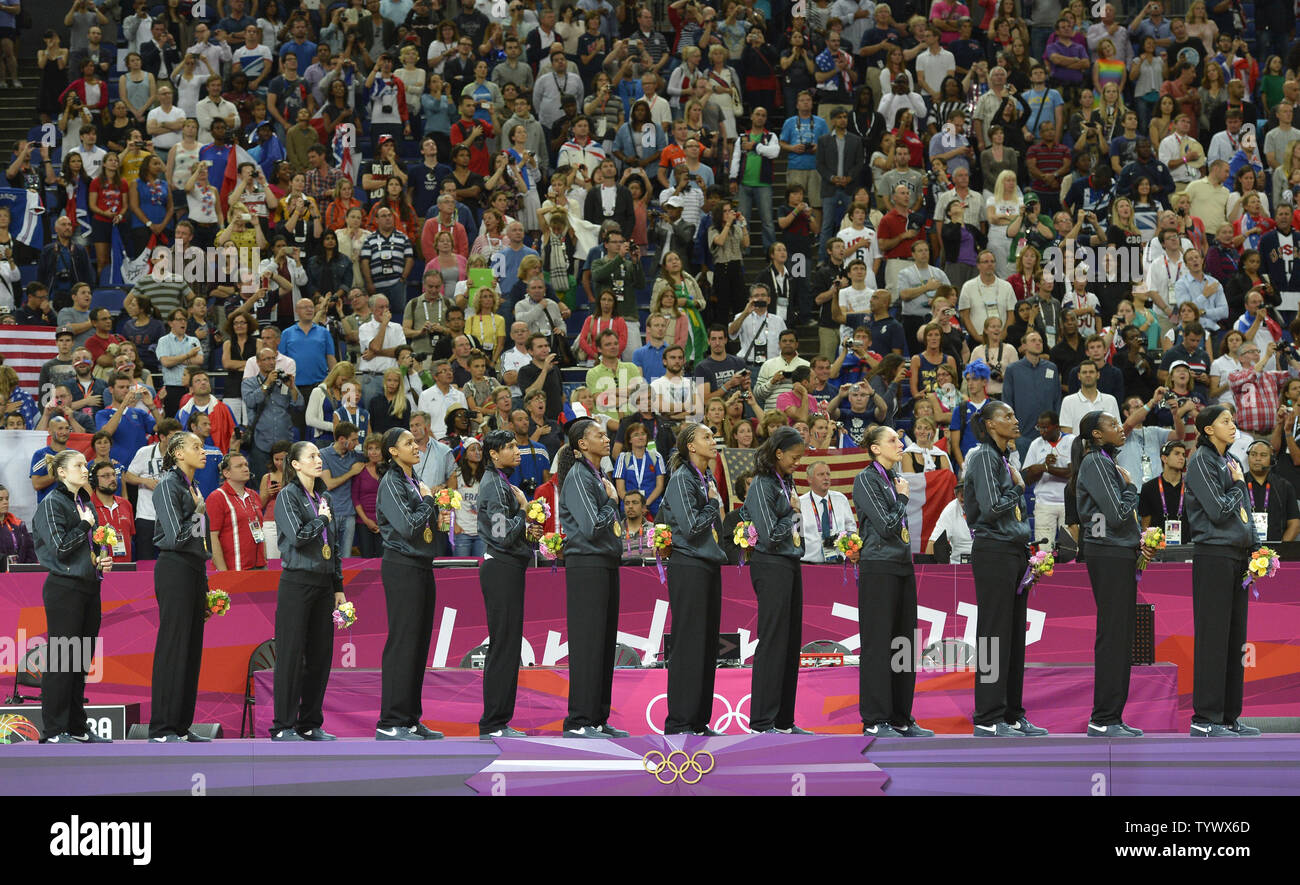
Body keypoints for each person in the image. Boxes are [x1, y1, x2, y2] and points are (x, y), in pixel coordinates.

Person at [964, 401, 1047, 737]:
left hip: (1013, 550)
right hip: (994, 550)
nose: (1015, 420)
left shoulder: (1002, 458)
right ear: (989, 424)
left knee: (1013, 637)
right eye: (1007, 416)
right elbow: (992, 506)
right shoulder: (983, 456)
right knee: (994, 635)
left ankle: (1012, 714)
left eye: (1015, 414)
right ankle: (987, 716)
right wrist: (1018, 486)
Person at [1184, 405, 1259, 737]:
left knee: (1235, 639)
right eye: (1225, 421)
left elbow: (1245, 511)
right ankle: (1204, 718)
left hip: (1238, 555)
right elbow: (1216, 510)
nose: (1233, 425)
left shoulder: (1232, 461)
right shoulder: (1200, 460)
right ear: (1208, 429)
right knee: (1214, 638)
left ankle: (1228, 716)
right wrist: (1239, 486)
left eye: (1233, 420)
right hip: (1213, 553)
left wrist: (1255, 547)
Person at [853, 425, 932, 738]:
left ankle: (900, 717)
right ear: (875, 448)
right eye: (892, 440)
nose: (900, 444)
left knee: (903, 644)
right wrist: (901, 500)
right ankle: (875, 719)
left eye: (900, 439)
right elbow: (886, 526)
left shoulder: (893, 479)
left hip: (901, 565)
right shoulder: (866, 479)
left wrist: (899, 495)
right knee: (878, 645)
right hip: (878, 566)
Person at [1071, 411, 1145, 737]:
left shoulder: (1104, 462)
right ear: (1097, 435)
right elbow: (1115, 514)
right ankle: (1103, 718)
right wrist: (1132, 489)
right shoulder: (1096, 462)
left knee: (1120, 635)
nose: (1120, 427)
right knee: (1114, 635)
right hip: (1109, 553)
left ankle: (1111, 716)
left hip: (1117, 551)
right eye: (1113, 424)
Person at [271, 441, 348, 742]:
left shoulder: (324, 496)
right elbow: (299, 538)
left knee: (320, 655)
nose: (319, 460)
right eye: (312, 456)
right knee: (291, 655)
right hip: (297, 581)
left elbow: (335, 546)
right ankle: (283, 725)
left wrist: (339, 587)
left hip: (324, 582)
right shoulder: (287, 497)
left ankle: (310, 722)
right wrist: (322, 519)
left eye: (319, 455)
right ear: (295, 464)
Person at [556, 417, 627, 739]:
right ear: (582, 444)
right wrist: (611, 501)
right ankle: (579, 720)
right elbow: (591, 526)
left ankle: (597, 717)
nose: (606, 438)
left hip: (605, 561)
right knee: (587, 644)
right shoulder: (578, 476)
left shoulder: (598, 476)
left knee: (603, 643)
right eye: (599, 435)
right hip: (586, 564)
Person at [373, 427, 445, 741]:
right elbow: (406, 525)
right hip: (401, 565)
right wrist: (429, 502)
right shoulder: (391, 482)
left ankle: (410, 719)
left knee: (418, 645)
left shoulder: (413, 482)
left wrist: (436, 510)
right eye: (407, 443)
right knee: (403, 643)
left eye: (415, 442)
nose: (415, 446)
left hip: (421, 564)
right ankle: (390, 720)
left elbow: (423, 524)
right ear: (392, 451)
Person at [658, 422, 726, 736]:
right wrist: (713, 503)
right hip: (688, 565)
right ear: (691, 447)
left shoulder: (705, 477)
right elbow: (691, 527)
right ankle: (680, 722)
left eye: (714, 436)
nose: (713, 441)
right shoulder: (682, 479)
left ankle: (699, 720)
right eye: (706, 437)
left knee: (707, 643)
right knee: (688, 643)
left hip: (707, 564)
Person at [477, 428, 545, 739]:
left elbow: (508, 532)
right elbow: (502, 533)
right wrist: (522, 510)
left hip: (508, 566)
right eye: (509, 447)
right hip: (500, 568)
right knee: (503, 646)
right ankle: (493, 723)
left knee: (507, 645)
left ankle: (499, 721)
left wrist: (528, 531)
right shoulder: (493, 485)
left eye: (517, 446)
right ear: (493, 454)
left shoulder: (502, 482)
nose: (517, 451)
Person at [744, 426, 811, 735]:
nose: (798, 462)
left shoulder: (785, 482)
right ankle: (761, 721)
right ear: (778, 453)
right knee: (772, 642)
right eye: (794, 457)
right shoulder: (761, 484)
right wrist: (792, 512)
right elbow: (769, 534)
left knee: (789, 643)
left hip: (790, 561)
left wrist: (793, 515)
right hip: (769, 564)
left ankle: (784, 721)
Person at [148, 431, 211, 743]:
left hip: (194, 568)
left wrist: (207, 582)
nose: (203, 451)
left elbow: (198, 538)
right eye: (196, 447)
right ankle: (161, 728)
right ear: (176, 453)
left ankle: (181, 726)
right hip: (174, 568)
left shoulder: (193, 486)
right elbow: (174, 537)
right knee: (174, 647)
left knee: (191, 649)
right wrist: (198, 512)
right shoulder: (167, 487)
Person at [206, 452, 267, 572]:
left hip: (259, 566)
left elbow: (259, 530)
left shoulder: (254, 495)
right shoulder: (217, 497)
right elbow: (212, 537)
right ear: (226, 473)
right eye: (239, 466)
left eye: (246, 465)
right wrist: (224, 572)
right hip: (234, 569)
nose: (245, 469)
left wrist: (264, 559)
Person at [1022, 411, 1074, 545]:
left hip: (1068, 503)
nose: (1041, 431)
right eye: (1039, 427)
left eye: (1045, 428)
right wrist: (1043, 465)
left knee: (1070, 550)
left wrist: (1045, 468)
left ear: (1056, 427)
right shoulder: (1036, 444)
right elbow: (1028, 480)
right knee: (1043, 552)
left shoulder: (1071, 440)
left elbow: (1071, 472)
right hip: (1044, 503)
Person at [797, 460, 855, 564]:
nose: (826, 478)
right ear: (809, 479)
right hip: (808, 564)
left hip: (838, 562)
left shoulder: (841, 499)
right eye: (821, 474)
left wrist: (850, 546)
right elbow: (796, 535)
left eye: (828, 474)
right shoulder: (800, 503)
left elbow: (851, 527)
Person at [1244, 438, 1300, 542]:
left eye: (1263, 455)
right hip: (1241, 551)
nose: (1257, 458)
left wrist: (1278, 551)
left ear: (1272, 459)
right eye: (1253, 454)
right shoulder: (1238, 484)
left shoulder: (1285, 486)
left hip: (1275, 553)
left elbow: (1295, 524)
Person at [89, 459, 134, 563]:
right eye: (106, 476)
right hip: (99, 571)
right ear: (94, 481)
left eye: (114, 475)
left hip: (125, 568)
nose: (113, 479)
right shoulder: (87, 508)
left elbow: (129, 537)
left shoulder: (126, 504)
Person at [0, 483, 37, 570]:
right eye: (0, 499)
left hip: (19, 576)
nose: (5, 502)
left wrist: (25, 572)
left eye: (7, 499)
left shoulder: (18, 525)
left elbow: (30, 553)